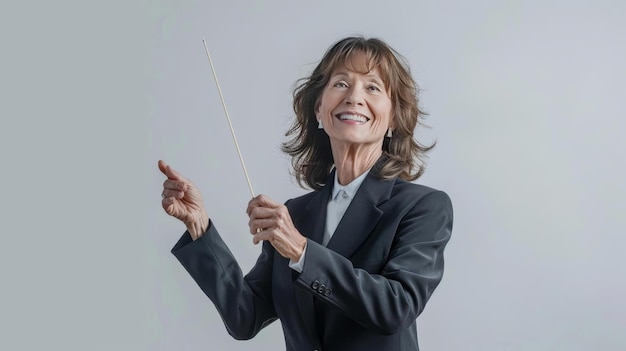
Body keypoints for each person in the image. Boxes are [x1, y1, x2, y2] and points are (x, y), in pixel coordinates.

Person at [158, 36, 453, 351]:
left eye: (372, 87)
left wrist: (300, 251)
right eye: (340, 83)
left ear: (394, 117)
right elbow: (245, 316)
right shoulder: (294, 214)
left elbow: (397, 308)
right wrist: (199, 225)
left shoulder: (423, 207)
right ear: (318, 109)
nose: (354, 97)